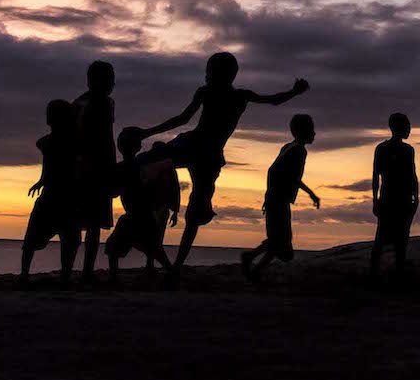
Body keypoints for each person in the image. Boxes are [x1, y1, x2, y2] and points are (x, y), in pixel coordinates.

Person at [135, 52, 309, 270]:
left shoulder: (235, 96)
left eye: (211, 71)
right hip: (198, 148)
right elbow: (183, 118)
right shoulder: (211, 92)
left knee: (195, 211)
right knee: (152, 162)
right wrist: (146, 133)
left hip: (204, 153)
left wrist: (293, 92)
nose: (207, 75)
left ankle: (175, 266)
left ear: (226, 74)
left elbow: (272, 100)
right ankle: (166, 257)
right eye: (208, 71)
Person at [241, 114, 319, 281]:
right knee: (282, 247)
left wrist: (267, 195)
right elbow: (292, 178)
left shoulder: (287, 147)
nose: (314, 133)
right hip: (279, 201)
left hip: (275, 199)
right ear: (303, 131)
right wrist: (312, 194)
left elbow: (273, 172)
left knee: (280, 244)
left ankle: (253, 265)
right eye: (312, 129)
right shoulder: (299, 150)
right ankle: (250, 260)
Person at [104, 128, 179, 284]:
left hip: (136, 215)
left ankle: (113, 277)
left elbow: (113, 192)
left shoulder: (125, 167)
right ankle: (171, 272)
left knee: (115, 248)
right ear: (138, 147)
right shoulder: (142, 166)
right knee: (153, 249)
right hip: (145, 215)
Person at [20, 99, 80, 288]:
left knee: (68, 238)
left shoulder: (59, 142)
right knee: (65, 238)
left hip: (60, 195)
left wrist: (43, 180)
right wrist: (42, 180)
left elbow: (48, 163)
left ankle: (28, 273)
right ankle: (62, 274)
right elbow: (48, 165)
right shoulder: (67, 142)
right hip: (59, 195)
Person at [72, 60, 117, 284]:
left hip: (87, 168)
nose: (112, 84)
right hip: (93, 169)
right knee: (88, 223)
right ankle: (85, 272)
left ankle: (82, 271)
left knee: (88, 224)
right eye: (109, 79)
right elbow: (106, 141)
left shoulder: (81, 103)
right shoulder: (98, 104)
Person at [369, 112, 419, 283]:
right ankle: (375, 274)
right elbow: (376, 176)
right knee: (383, 237)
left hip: (401, 198)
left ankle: (397, 273)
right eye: (407, 126)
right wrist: (375, 200)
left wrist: (415, 197)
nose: (409, 129)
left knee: (401, 237)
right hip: (390, 197)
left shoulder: (408, 150)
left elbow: (413, 176)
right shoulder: (383, 149)